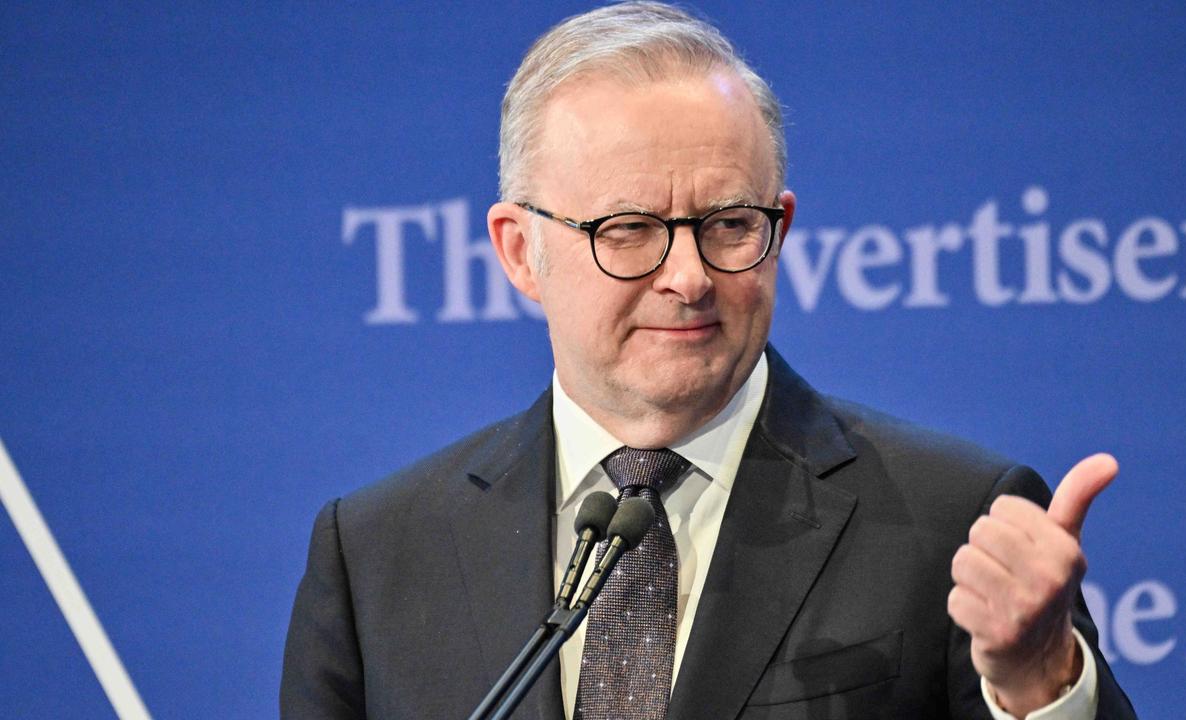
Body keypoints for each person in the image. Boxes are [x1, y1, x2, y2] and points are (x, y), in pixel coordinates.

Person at [281, 3, 1137, 719]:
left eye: (729, 224)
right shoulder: (379, 553)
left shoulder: (952, 520)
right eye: (629, 230)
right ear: (518, 251)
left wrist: (1036, 686)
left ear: (781, 227)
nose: (688, 277)